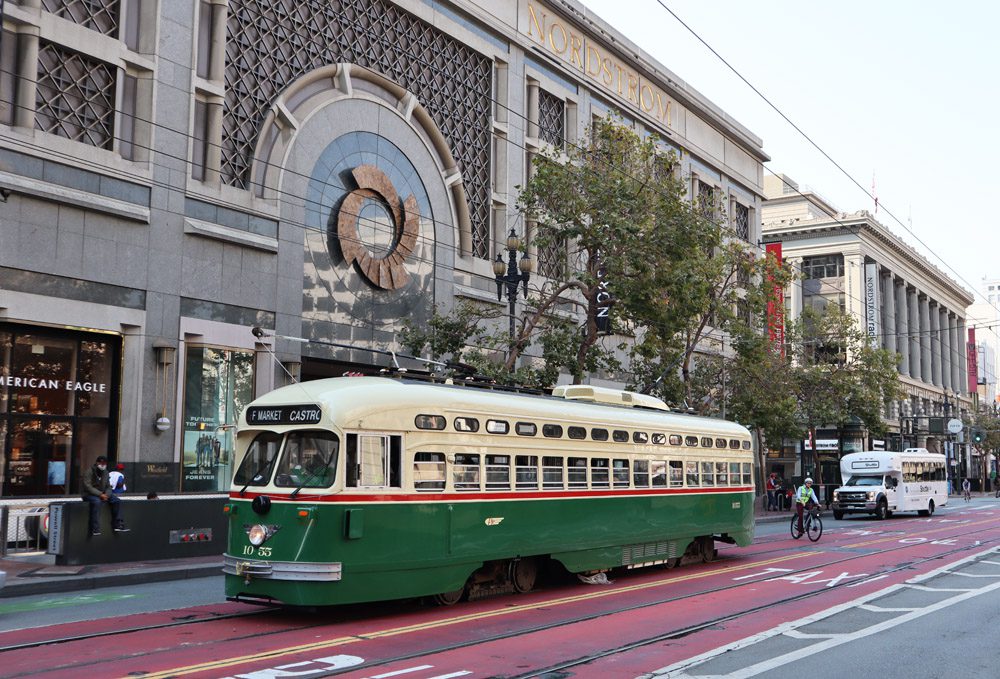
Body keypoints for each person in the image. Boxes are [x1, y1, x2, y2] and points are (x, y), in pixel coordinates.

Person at [82, 455, 128, 536]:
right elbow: (88, 487)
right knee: (97, 502)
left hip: (103, 493)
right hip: (89, 494)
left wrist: (106, 494)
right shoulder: (89, 471)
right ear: (97, 463)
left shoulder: (106, 472)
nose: (102, 464)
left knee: (117, 501)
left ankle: (118, 524)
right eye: (101, 463)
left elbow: (108, 486)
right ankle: (95, 528)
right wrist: (100, 494)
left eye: (104, 463)